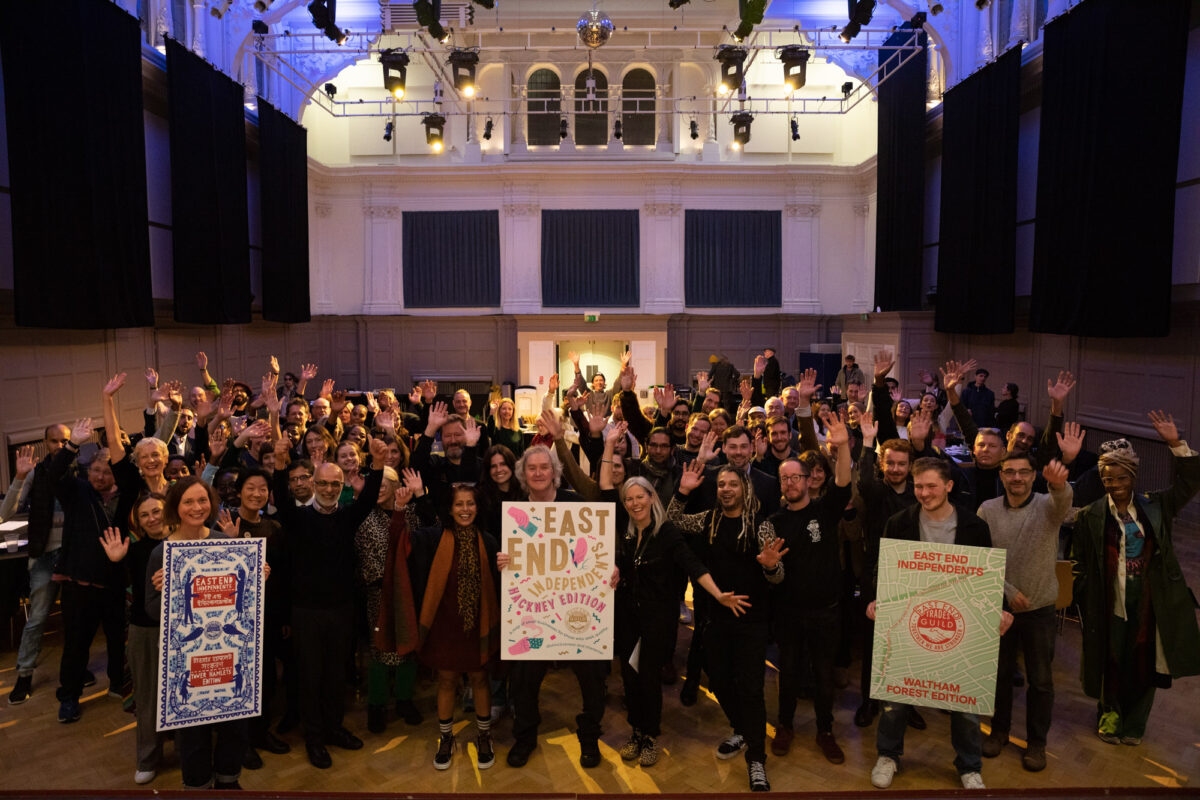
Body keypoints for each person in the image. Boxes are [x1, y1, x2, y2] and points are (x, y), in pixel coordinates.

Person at [868, 458, 1011, 791]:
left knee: (964, 703)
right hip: (906, 624)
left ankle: (969, 766)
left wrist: (998, 610)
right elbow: (884, 570)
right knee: (895, 697)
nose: (924, 493)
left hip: (961, 625)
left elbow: (987, 577)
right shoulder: (898, 522)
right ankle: (888, 755)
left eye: (931, 486)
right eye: (918, 486)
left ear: (948, 486)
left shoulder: (975, 526)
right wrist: (878, 600)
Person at [604, 459, 748, 767]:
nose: (634, 503)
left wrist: (718, 594)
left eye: (640, 497)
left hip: (657, 620)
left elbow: (693, 565)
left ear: (652, 498)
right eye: (629, 499)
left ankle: (650, 735)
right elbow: (623, 567)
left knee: (647, 678)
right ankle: (636, 731)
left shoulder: (666, 532)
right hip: (628, 618)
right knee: (629, 677)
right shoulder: (627, 535)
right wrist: (616, 567)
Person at [1071, 412, 1200, 747]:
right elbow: (1078, 562)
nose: (1113, 485)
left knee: (1145, 663)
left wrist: (1175, 443)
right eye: (1107, 479)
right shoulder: (1091, 515)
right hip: (1108, 602)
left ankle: (1135, 722)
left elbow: (1190, 482)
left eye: (1120, 478)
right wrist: (1085, 595)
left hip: (1150, 602)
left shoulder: (1156, 507)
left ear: (1133, 477)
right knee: (1111, 660)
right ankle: (1110, 715)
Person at [669, 447, 794, 792]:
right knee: (720, 682)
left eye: (732, 484)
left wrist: (771, 566)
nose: (726, 489)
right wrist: (683, 491)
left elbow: (778, 577)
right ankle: (743, 730)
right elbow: (673, 520)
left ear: (744, 488)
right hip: (715, 617)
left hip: (752, 620)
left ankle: (756, 759)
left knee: (751, 689)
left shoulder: (761, 525)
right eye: (721, 484)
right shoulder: (709, 519)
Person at [270, 435, 385, 769]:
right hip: (306, 612)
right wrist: (280, 464)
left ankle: (334, 728)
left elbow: (368, 499)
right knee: (310, 676)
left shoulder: (348, 516)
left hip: (341, 609)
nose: (329, 489)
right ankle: (315, 738)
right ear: (312, 484)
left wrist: (377, 465)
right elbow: (282, 497)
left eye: (335, 484)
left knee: (337, 674)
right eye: (323, 483)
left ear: (341, 485)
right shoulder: (297, 518)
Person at [145, 477, 261, 790]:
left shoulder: (226, 542)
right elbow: (151, 610)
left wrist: (257, 578)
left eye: (202, 500)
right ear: (175, 507)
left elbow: (243, 601)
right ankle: (197, 787)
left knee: (234, 724)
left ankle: (228, 781)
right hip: (186, 657)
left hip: (229, 652)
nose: (197, 508)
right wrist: (168, 593)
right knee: (192, 731)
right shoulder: (162, 552)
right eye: (188, 502)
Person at [502, 445, 610, 770]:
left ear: (554, 472)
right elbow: (507, 553)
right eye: (531, 468)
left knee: (593, 679)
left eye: (543, 467)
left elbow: (599, 549)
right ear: (523, 474)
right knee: (524, 680)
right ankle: (525, 737)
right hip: (533, 612)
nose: (538, 473)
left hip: (578, 610)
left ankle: (589, 736)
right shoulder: (514, 511)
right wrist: (502, 559)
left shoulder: (576, 506)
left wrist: (611, 568)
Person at [759, 413, 853, 766]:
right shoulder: (773, 523)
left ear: (807, 479)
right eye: (784, 478)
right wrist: (770, 567)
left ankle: (825, 730)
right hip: (788, 613)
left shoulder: (825, 511)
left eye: (796, 476)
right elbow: (774, 577)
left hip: (827, 611)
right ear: (781, 484)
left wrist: (842, 446)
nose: (790, 482)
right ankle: (784, 726)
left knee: (824, 675)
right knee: (789, 673)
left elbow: (843, 483)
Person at [977, 451, 1075, 772]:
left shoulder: (1048, 506)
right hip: (999, 605)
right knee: (1000, 675)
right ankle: (999, 732)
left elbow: (1063, 501)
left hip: (1040, 609)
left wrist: (1059, 485)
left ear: (1034, 476)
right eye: (1010, 472)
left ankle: (1036, 743)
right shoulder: (987, 510)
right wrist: (1008, 591)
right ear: (1001, 476)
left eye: (1023, 472)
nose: (1016, 477)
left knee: (1041, 681)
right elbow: (981, 559)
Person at [409, 480, 501, 770]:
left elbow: (500, 584)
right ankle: (446, 738)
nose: (465, 509)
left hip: (478, 624)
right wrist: (409, 501)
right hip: (445, 625)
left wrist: (505, 565)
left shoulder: (489, 541)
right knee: (447, 680)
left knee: (480, 679)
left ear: (478, 507)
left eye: (470, 503)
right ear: (449, 509)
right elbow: (409, 543)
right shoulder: (435, 538)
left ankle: (484, 736)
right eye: (459, 504)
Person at [100, 492, 168, 784]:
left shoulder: (185, 543)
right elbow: (118, 593)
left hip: (185, 631)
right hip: (146, 630)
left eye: (157, 511)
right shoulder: (135, 550)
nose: (152, 518)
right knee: (148, 697)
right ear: (138, 522)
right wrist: (116, 562)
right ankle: (147, 758)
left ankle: (187, 749)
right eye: (144, 515)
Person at [355, 466, 427, 736]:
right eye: (377, 483)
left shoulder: (411, 512)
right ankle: (377, 705)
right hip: (378, 591)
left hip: (408, 589)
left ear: (397, 486)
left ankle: (405, 700)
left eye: (386, 483)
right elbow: (363, 554)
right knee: (380, 648)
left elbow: (426, 538)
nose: (380, 488)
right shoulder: (365, 514)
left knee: (408, 645)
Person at [7, 426, 71, 706]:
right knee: (37, 619)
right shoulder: (37, 472)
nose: (60, 445)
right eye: (55, 440)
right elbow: (6, 513)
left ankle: (75, 671)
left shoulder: (77, 470)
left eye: (65, 440)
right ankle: (24, 674)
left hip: (73, 556)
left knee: (76, 617)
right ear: (46, 442)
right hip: (45, 556)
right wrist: (20, 478)